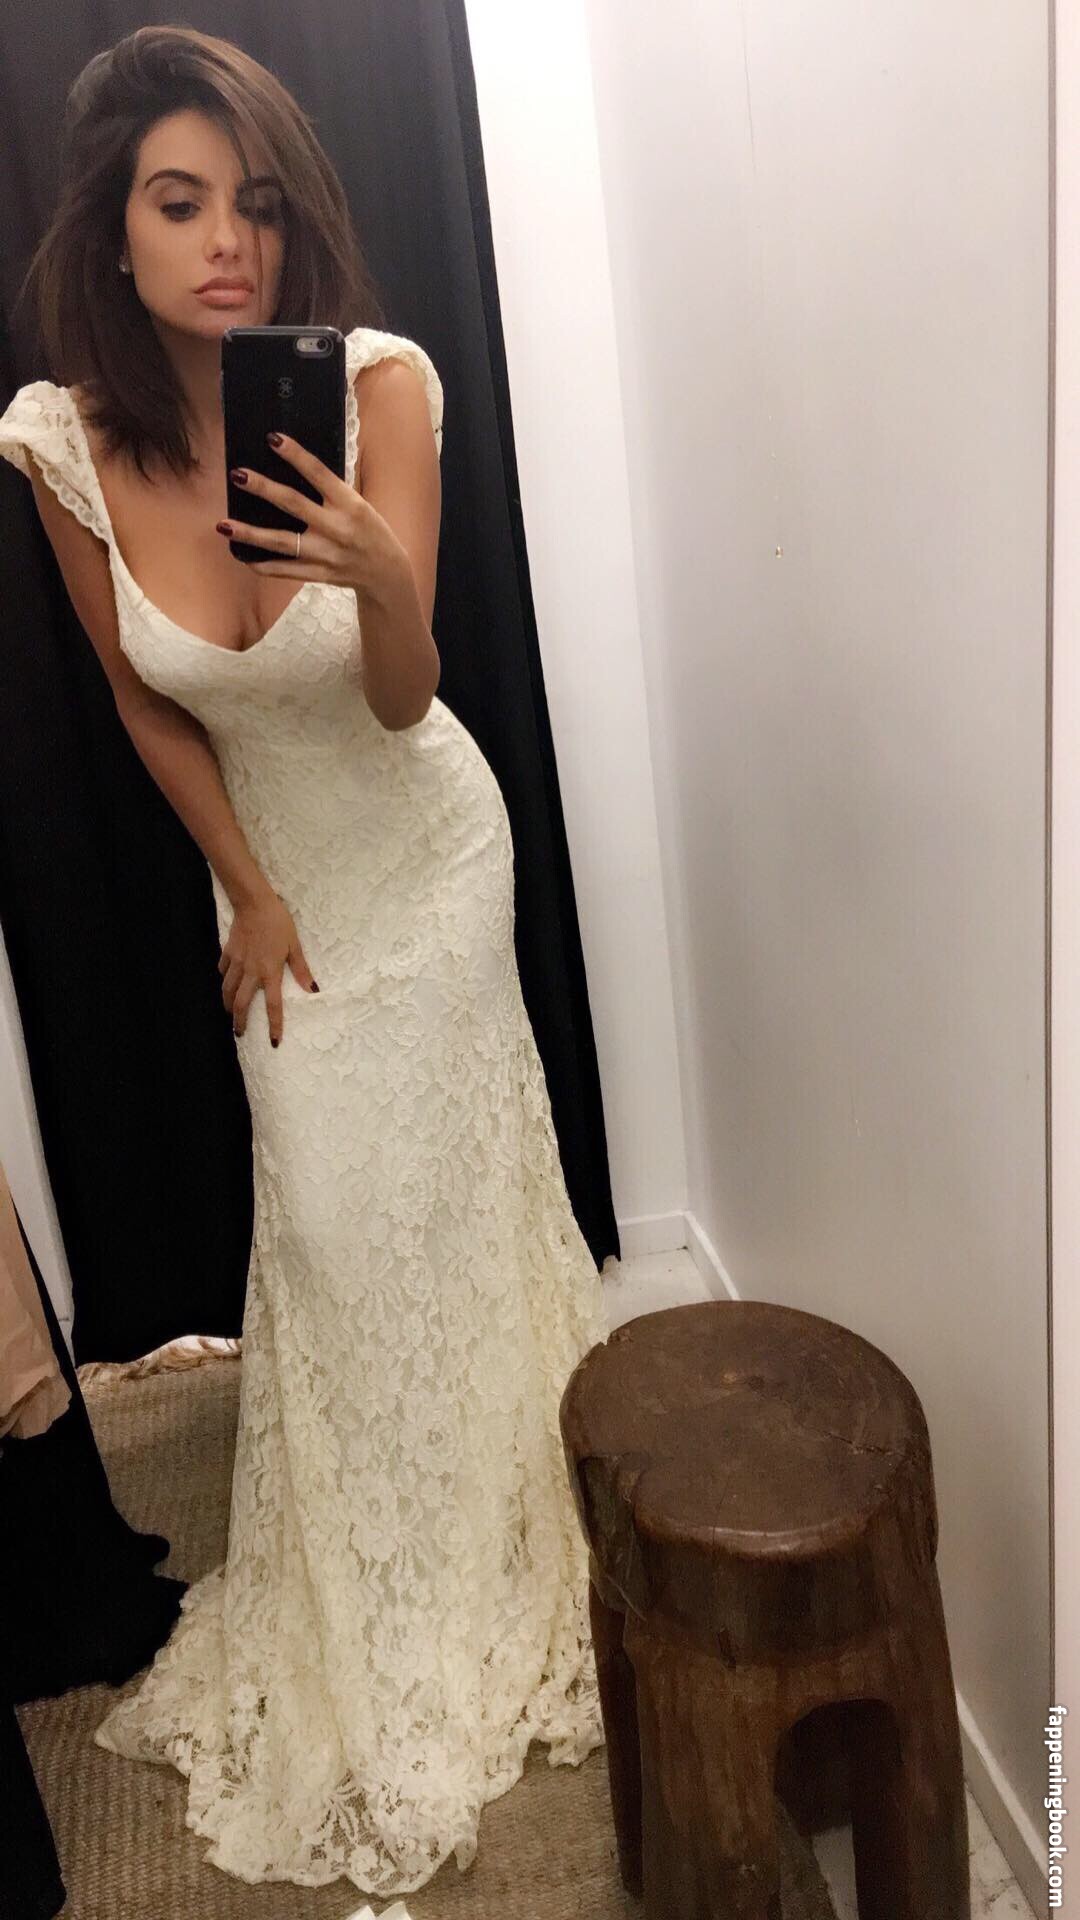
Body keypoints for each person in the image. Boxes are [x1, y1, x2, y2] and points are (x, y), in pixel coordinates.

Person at [0, 23, 613, 1904]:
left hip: (426, 855)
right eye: (180, 204)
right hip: (277, 885)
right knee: (340, 1228)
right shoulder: (60, 443)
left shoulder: (379, 388)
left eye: (255, 206)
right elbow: (140, 697)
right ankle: (372, 1562)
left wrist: (385, 575)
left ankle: (492, 1528)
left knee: (453, 1209)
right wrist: (248, 892)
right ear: (113, 232)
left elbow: (405, 699)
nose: (227, 245)